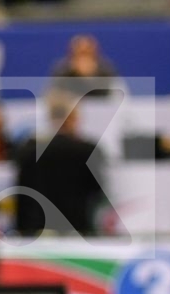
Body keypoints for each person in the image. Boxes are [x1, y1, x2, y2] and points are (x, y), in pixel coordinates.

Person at [11, 95, 106, 236]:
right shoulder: (88, 150)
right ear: (74, 119)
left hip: (35, 231)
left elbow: (20, 191)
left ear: (50, 117)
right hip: (77, 230)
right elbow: (97, 190)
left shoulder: (28, 151)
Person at [49, 34, 118, 94]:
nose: (84, 59)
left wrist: (92, 76)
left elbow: (116, 96)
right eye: (80, 53)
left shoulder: (106, 70)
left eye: (87, 53)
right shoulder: (62, 70)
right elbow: (54, 96)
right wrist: (73, 72)